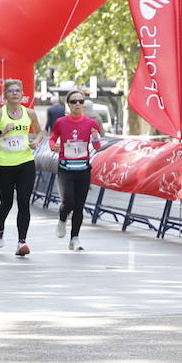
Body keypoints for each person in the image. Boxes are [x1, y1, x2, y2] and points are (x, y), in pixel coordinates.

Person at [0, 79, 43, 256]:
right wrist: (2, 131)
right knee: (6, 204)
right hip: (4, 164)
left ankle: (21, 242)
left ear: (22, 94)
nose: (15, 93)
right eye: (11, 91)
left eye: (18, 90)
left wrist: (36, 141)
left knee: (24, 202)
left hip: (25, 162)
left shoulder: (29, 113)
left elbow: (40, 130)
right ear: (5, 95)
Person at [49, 90, 103, 251]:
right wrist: (53, 146)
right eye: (74, 101)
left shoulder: (90, 123)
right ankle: (62, 220)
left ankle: (75, 239)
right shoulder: (60, 122)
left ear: (84, 104)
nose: (78, 104)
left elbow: (97, 146)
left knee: (79, 206)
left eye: (80, 101)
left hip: (83, 169)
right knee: (68, 202)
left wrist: (95, 137)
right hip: (65, 168)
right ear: (68, 104)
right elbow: (52, 138)